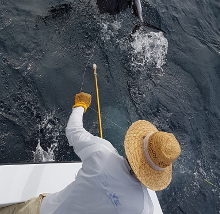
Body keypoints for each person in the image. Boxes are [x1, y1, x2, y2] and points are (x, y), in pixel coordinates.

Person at [0, 92, 181, 214]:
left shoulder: (101, 152)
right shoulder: (143, 208)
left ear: (136, 145)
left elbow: (73, 130)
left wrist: (80, 106)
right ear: (158, 172)